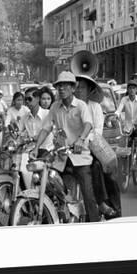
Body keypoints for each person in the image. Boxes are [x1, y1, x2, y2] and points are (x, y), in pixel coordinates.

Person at [34, 71, 100, 222]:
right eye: (59, 86)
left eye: (65, 85)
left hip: (80, 157)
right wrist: (36, 147)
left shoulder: (81, 106)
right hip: (61, 157)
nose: (61, 88)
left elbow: (88, 124)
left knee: (88, 195)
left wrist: (80, 139)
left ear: (72, 88)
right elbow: (46, 128)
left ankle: (95, 223)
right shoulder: (55, 107)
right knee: (51, 187)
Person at [76, 74, 121, 219]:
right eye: (77, 87)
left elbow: (97, 131)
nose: (78, 90)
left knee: (102, 169)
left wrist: (82, 140)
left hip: (91, 146)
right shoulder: (71, 106)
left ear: (89, 91)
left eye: (82, 88)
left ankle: (108, 205)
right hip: (71, 149)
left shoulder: (95, 107)